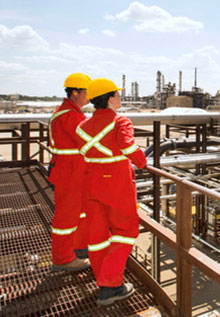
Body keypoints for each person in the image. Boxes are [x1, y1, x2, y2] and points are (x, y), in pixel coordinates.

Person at [75, 78, 147, 306]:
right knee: (126, 231)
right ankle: (111, 285)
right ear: (109, 98)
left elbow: (84, 149)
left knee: (97, 236)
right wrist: (142, 161)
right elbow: (127, 146)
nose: (120, 98)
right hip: (116, 182)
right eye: (117, 94)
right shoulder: (120, 121)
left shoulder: (82, 126)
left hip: (90, 182)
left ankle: (102, 279)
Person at [49, 73, 92, 272]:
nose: (89, 97)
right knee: (67, 216)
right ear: (75, 93)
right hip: (69, 173)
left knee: (80, 212)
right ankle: (63, 259)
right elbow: (89, 141)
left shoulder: (70, 112)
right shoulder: (69, 115)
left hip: (74, 171)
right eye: (87, 93)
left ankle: (78, 247)